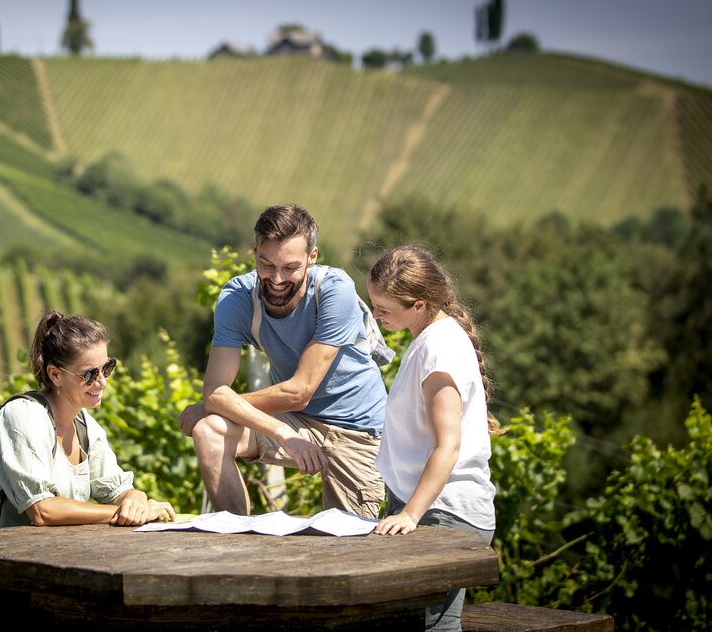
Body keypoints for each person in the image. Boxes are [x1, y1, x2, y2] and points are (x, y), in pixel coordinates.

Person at [0, 311, 175, 624]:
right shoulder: (22, 418)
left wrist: (136, 500)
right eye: (89, 374)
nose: (102, 381)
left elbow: (118, 489)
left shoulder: (86, 426)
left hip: (47, 568)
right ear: (55, 375)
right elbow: (42, 511)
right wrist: (118, 514)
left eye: (107, 368)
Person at [178, 204, 387, 519]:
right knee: (209, 431)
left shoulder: (334, 290)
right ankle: (236, 539)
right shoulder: (237, 299)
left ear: (312, 258)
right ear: (254, 254)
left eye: (290, 267)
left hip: (356, 431)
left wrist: (215, 403)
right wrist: (279, 431)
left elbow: (299, 391)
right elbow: (216, 390)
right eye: (266, 264)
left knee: (349, 548)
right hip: (295, 422)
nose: (276, 279)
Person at [366, 245, 497, 632]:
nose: (376, 315)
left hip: (443, 512)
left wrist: (410, 513)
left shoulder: (440, 348)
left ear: (420, 304)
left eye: (384, 309)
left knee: (435, 628)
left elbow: (447, 445)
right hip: (426, 506)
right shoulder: (428, 336)